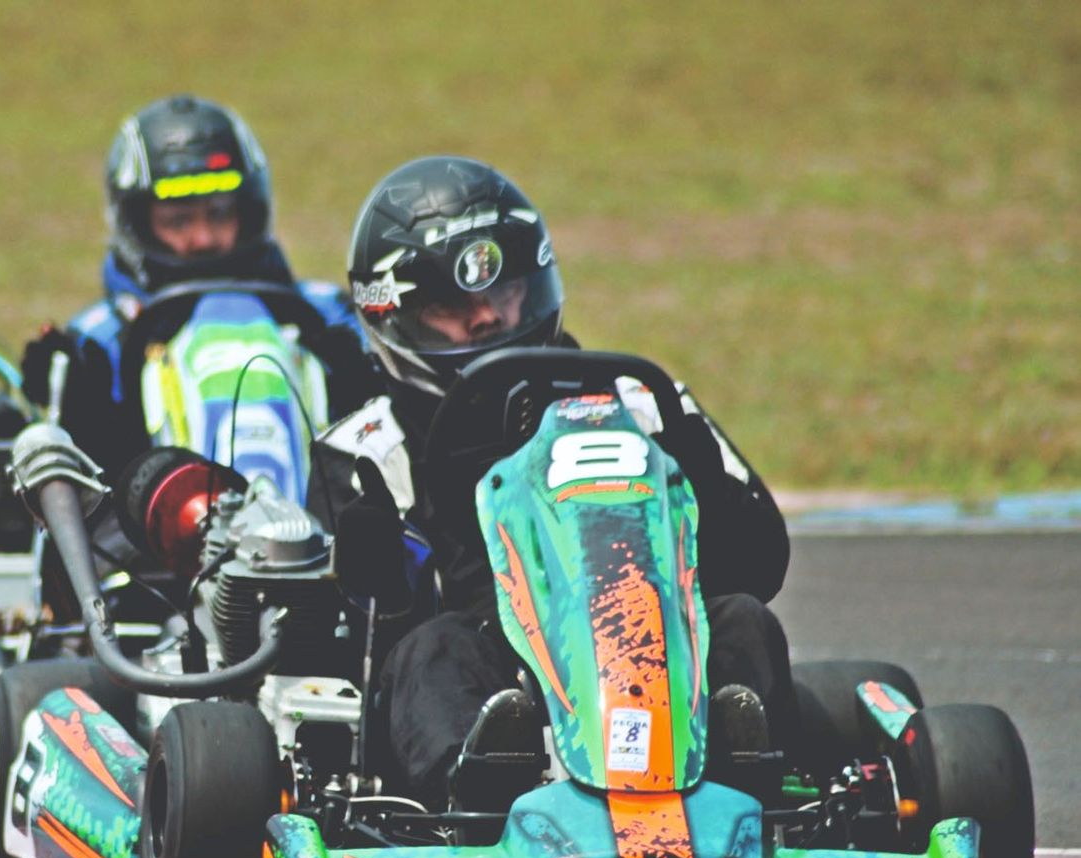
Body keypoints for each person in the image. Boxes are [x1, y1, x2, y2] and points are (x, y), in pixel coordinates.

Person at [317, 155, 796, 810]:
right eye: (453, 307)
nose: (485, 318)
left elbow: (761, 563)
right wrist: (373, 563)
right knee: (432, 653)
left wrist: (703, 482)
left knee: (743, 622)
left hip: (652, 651)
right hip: (496, 669)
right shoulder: (370, 446)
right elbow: (353, 639)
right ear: (398, 314)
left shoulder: (642, 400)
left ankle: (743, 788)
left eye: (503, 292)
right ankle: (481, 793)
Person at [20, 94, 378, 478]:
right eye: (178, 221)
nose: (204, 238)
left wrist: (357, 376)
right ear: (137, 226)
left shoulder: (326, 313)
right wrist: (76, 402)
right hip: (163, 530)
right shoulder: (98, 338)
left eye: (220, 213)